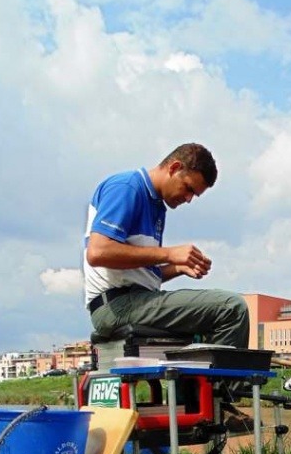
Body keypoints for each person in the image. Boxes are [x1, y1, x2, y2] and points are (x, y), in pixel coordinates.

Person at [83, 143, 249, 348]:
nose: (188, 199)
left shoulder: (156, 207)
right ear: (174, 168)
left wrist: (177, 268)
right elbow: (98, 253)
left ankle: (199, 380)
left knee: (210, 324)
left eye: (194, 195)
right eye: (188, 188)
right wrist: (169, 254)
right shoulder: (126, 188)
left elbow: (139, 274)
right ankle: (228, 381)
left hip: (133, 299)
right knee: (231, 308)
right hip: (117, 305)